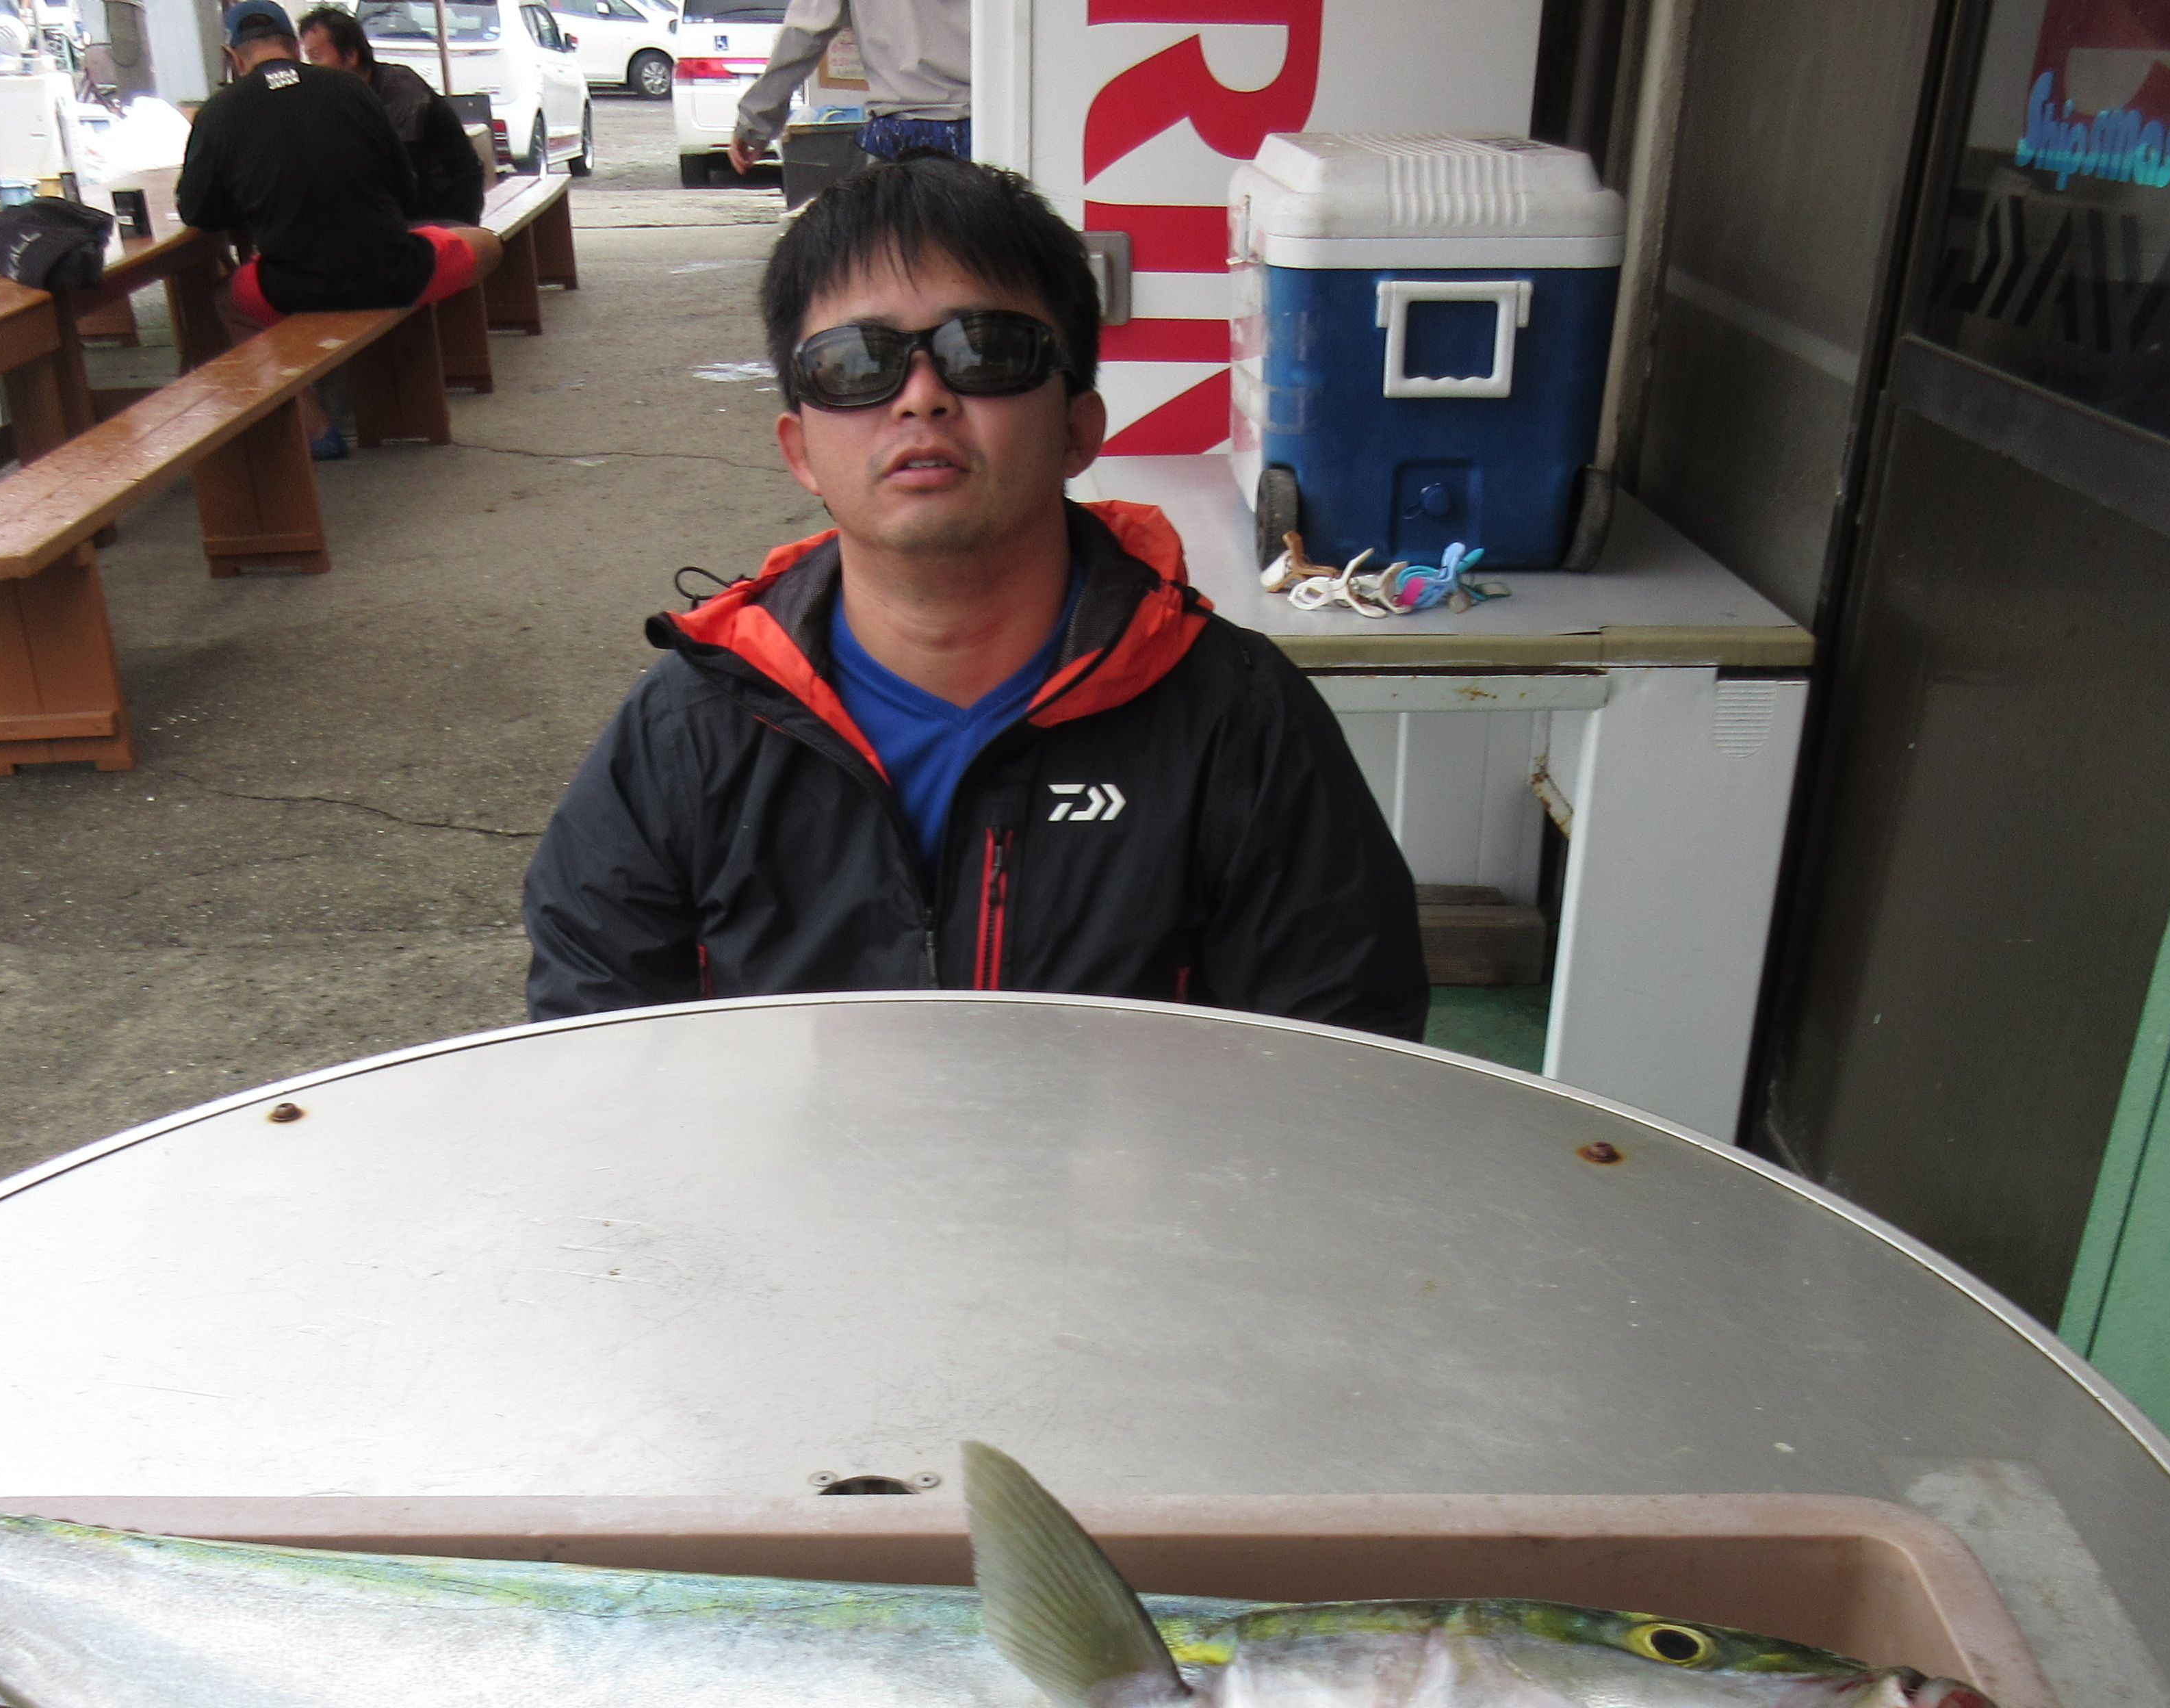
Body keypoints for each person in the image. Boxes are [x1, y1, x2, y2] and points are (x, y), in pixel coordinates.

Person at [523, 156, 1425, 1035]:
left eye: (984, 351)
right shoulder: (685, 735)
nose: (922, 397)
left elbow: (1338, 1061)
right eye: (855, 363)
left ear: (1078, 429)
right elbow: (597, 1058)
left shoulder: (1241, 725)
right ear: (800, 451)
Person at [177, 0, 504, 460]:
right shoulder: (351, 90)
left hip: (292, 289)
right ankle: (439, 369)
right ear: (294, 47)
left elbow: (198, 211)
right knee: (486, 244)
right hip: (394, 273)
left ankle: (315, 427)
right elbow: (403, 188)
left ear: (233, 57)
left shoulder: (218, 112)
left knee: (226, 299)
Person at [295, 5, 485, 230]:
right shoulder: (344, 99)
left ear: (351, 55)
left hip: (445, 210)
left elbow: (395, 170)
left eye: (316, 57)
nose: (311, 69)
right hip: (403, 209)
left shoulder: (401, 88)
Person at [727, 0, 966, 177]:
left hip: (901, 132)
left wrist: (755, 123)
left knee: (898, 230)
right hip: (983, 129)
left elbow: (805, 32)